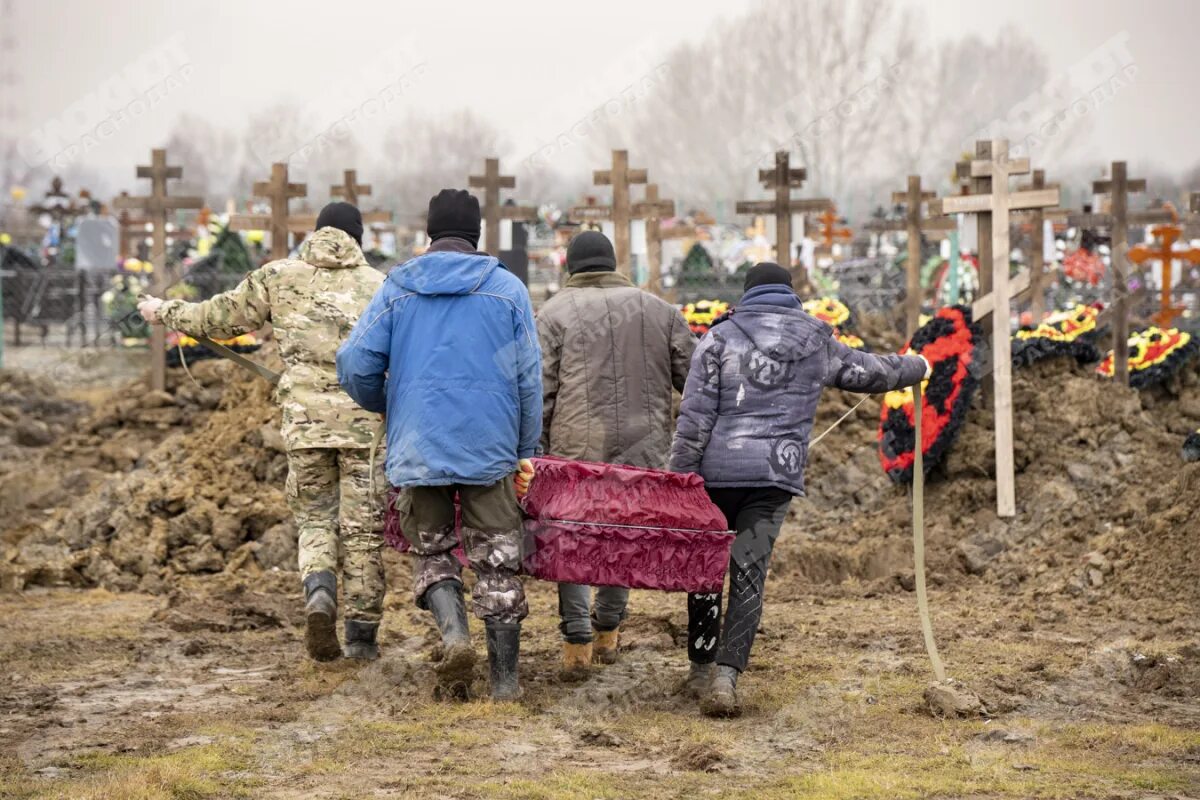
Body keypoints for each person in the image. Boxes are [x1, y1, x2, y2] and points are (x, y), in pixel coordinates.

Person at [669, 262, 930, 717]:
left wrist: (680, 479)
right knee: (750, 573)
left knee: (707, 571)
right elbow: (871, 373)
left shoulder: (717, 338)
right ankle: (727, 679)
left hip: (715, 476)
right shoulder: (816, 341)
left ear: (747, 293)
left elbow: (693, 419)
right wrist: (918, 366)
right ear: (790, 293)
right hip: (773, 478)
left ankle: (699, 669)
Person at [137, 202, 387, 663]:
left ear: (315, 233)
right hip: (365, 430)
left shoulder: (277, 277)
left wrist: (164, 311)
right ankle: (362, 637)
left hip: (304, 424)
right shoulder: (381, 286)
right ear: (358, 237)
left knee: (314, 518)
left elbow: (218, 318)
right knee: (364, 530)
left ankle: (319, 595)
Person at [336, 189, 541, 701]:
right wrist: (524, 446)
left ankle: (454, 636)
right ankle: (506, 683)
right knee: (496, 557)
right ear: (476, 232)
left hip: (418, 444)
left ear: (430, 231)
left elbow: (355, 363)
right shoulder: (508, 290)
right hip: (489, 445)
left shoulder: (396, 289)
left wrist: (389, 403)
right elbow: (529, 378)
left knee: (432, 549)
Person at [537, 231, 695, 679]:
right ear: (612, 263)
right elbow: (697, 381)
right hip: (644, 446)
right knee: (621, 534)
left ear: (571, 268)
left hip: (574, 451)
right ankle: (608, 627)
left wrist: (534, 450)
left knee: (572, 537)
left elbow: (540, 389)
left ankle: (576, 640)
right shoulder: (659, 311)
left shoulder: (552, 314)